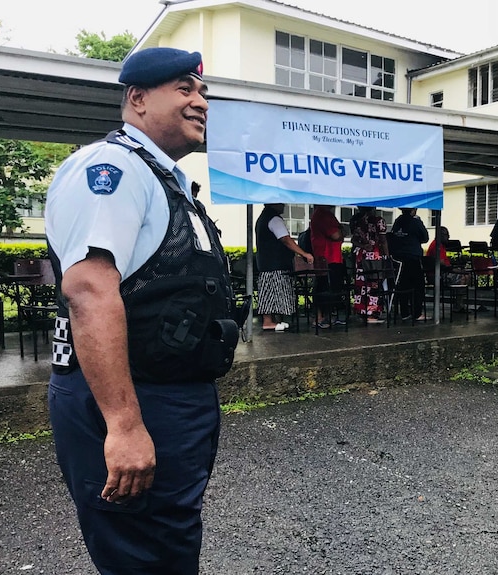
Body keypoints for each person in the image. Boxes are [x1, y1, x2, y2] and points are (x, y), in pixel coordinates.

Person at [44, 47, 239, 574]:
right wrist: (125, 426)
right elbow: (88, 290)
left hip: (169, 395)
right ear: (137, 98)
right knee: (140, 550)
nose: (200, 102)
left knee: (168, 538)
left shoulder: (161, 177)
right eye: (184, 88)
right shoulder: (112, 169)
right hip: (133, 397)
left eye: (203, 92)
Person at [255, 203, 313, 331]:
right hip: (274, 263)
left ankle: (272, 320)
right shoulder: (274, 219)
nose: (284, 205)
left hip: (267, 263)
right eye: (281, 203)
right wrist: (303, 253)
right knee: (273, 291)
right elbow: (286, 239)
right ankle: (268, 321)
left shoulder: (263, 218)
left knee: (270, 292)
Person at [388, 207, 429, 320]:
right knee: (418, 286)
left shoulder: (397, 221)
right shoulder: (416, 222)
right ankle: (417, 313)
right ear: (413, 210)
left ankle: (405, 312)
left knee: (403, 286)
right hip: (412, 256)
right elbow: (425, 238)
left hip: (398, 258)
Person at [310, 204, 346, 328]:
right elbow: (336, 235)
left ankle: (327, 315)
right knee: (325, 287)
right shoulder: (322, 215)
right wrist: (341, 231)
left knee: (330, 287)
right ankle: (322, 317)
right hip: (328, 257)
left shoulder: (323, 214)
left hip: (331, 257)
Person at [349, 206, 388, 324]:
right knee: (375, 283)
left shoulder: (356, 221)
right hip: (375, 255)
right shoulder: (378, 220)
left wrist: (363, 246)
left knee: (361, 284)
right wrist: (387, 255)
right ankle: (373, 313)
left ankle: (361, 311)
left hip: (361, 255)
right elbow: (383, 239)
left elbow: (353, 240)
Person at [426, 226, 469, 312]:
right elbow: (442, 264)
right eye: (446, 235)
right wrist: (455, 270)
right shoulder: (437, 246)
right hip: (438, 275)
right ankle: (458, 306)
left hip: (438, 273)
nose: (448, 237)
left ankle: (458, 304)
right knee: (464, 277)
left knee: (463, 275)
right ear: (440, 235)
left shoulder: (437, 244)